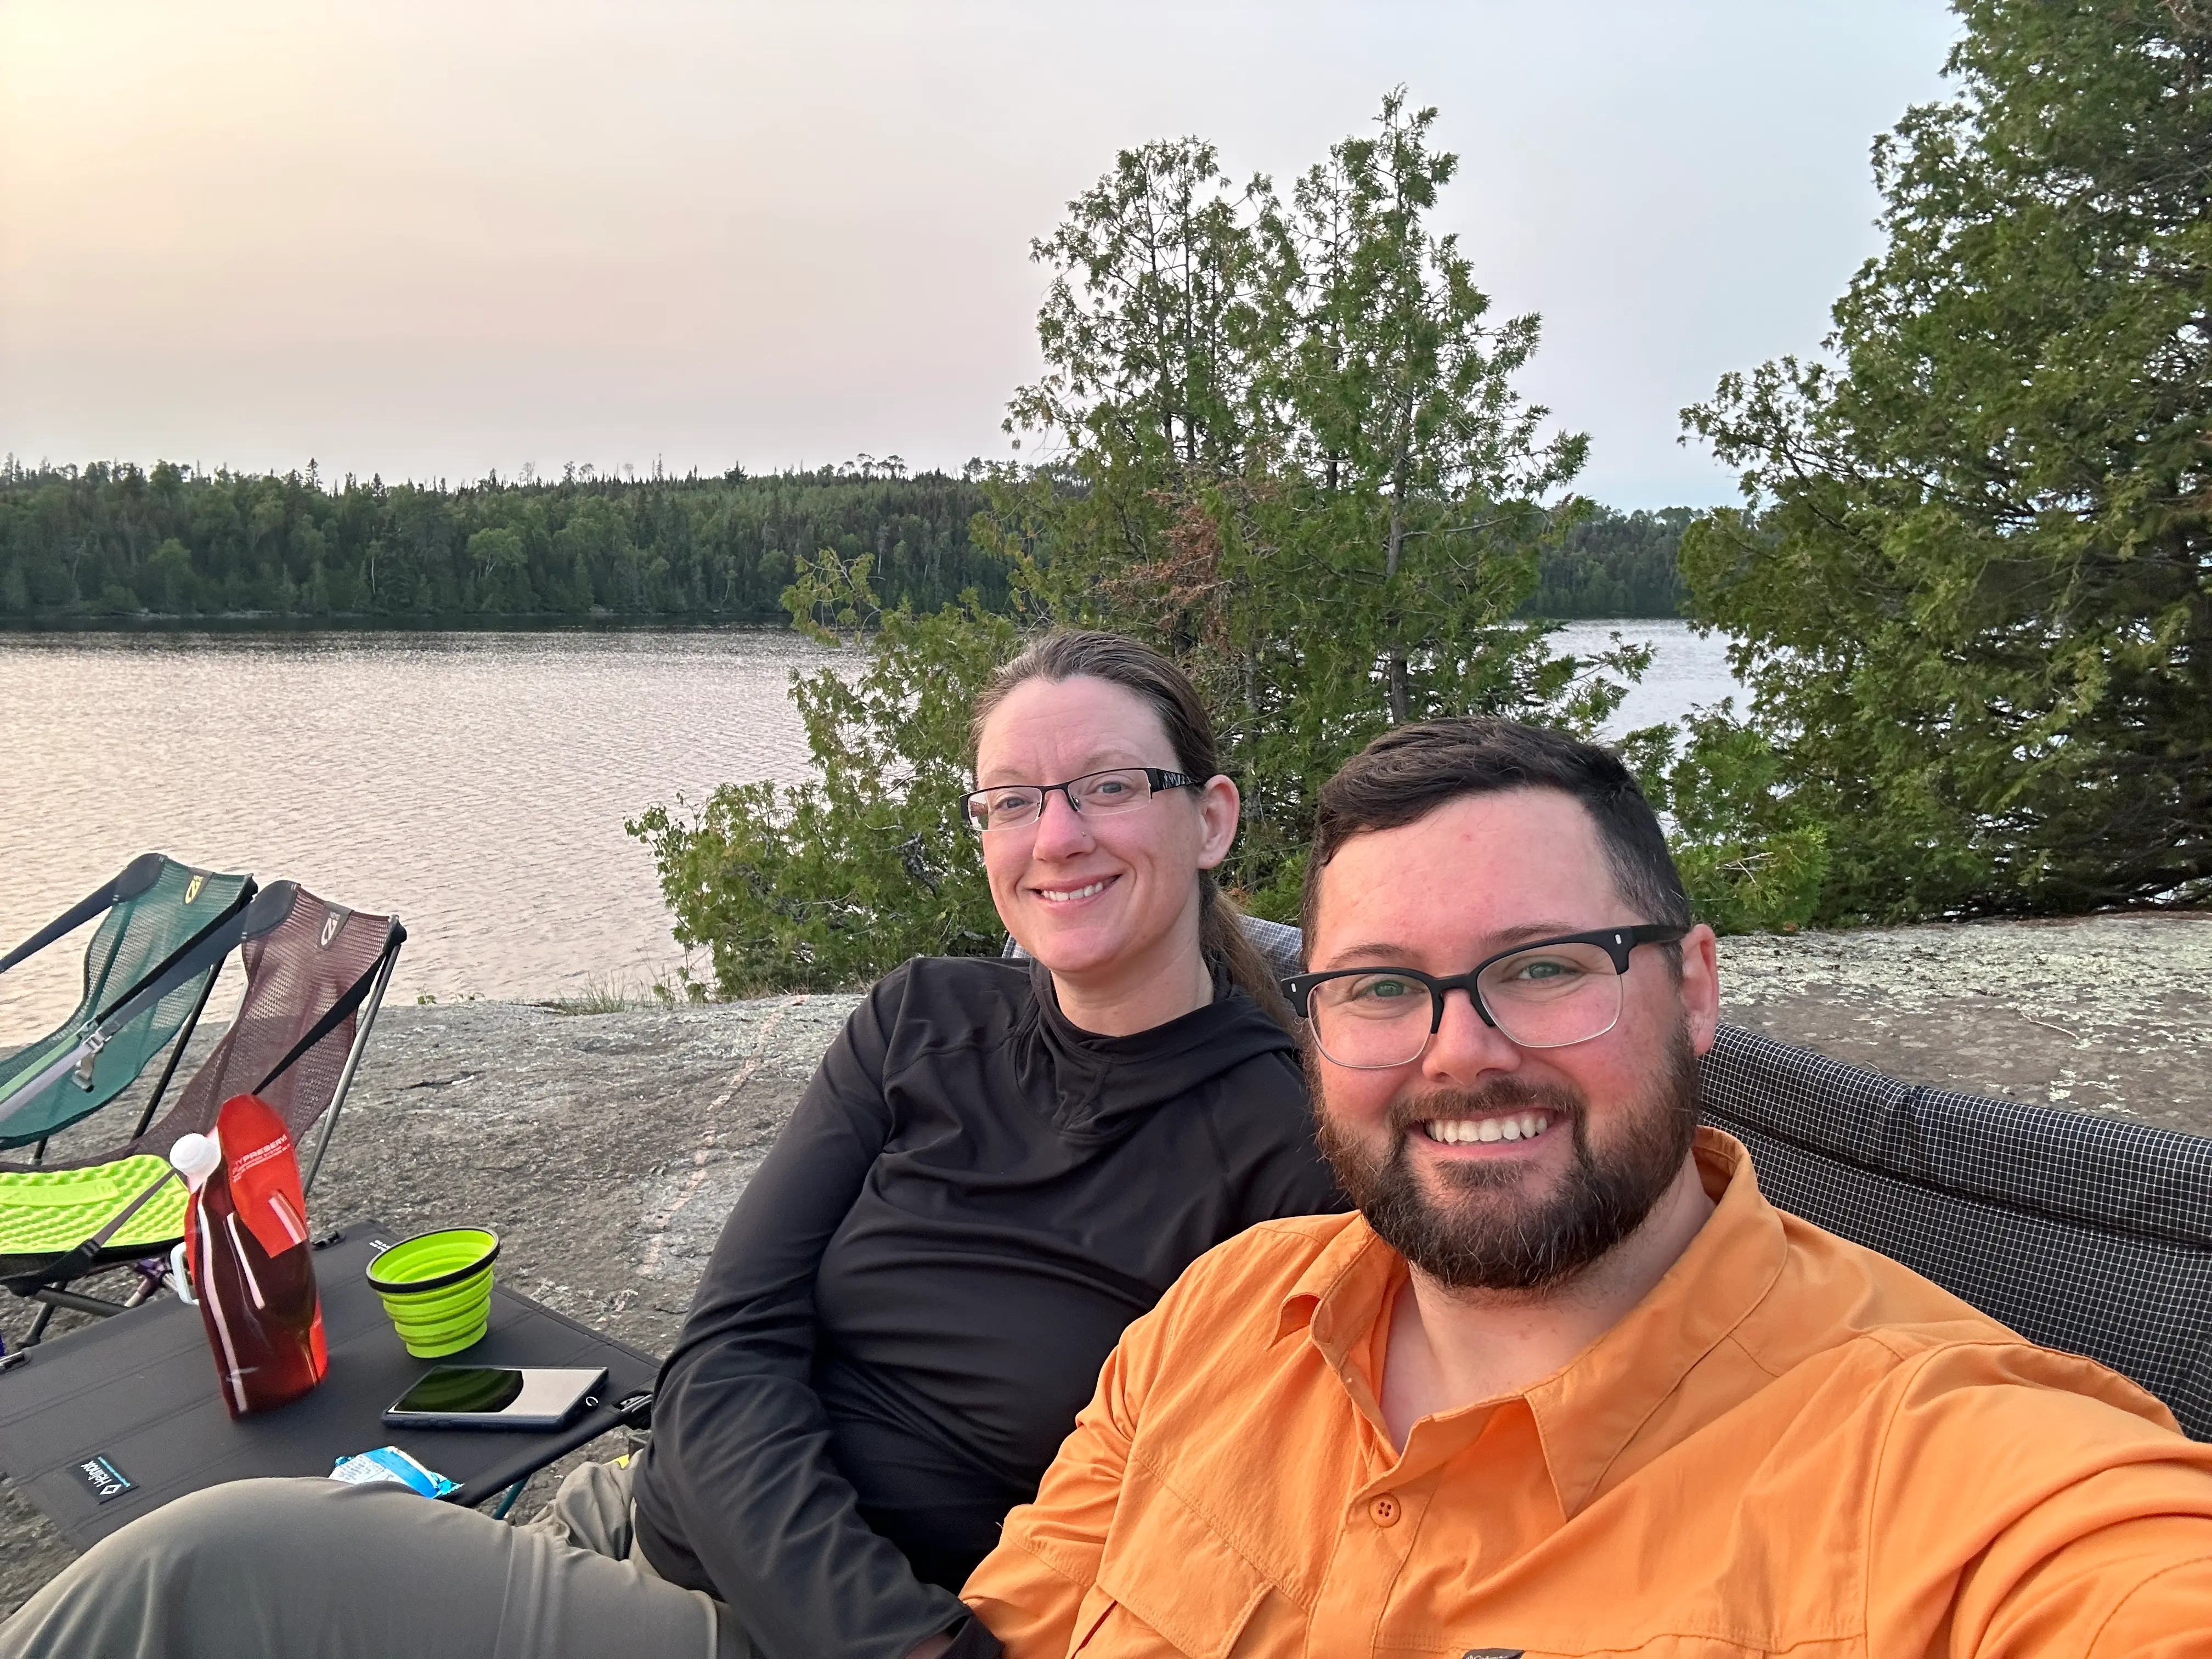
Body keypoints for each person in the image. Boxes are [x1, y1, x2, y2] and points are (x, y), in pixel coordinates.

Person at [0, 631, 1342, 1659]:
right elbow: (728, 1347)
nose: (1057, 837)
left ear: (1210, 816)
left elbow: (1222, 1535)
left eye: (1110, 786)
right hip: (662, 1512)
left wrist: (904, 1644)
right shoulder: (924, 1019)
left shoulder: (1289, 1145)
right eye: (1012, 801)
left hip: (825, 1625)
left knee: (202, 1571)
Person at [961, 717, 2212, 1658]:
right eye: (1382, 987)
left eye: (1546, 967)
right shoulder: (1213, 1323)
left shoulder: (1935, 1470)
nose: (1461, 1052)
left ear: (1696, 989)